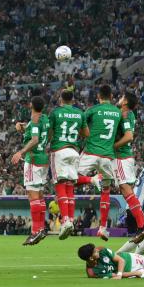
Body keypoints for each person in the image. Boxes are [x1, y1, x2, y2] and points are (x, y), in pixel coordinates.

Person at [76, 85, 127, 241]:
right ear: (111, 96)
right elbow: (122, 134)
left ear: (98, 96)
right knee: (106, 190)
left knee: (70, 179)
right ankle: (103, 229)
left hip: (91, 151)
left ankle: (91, 179)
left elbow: (79, 125)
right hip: (107, 155)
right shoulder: (118, 113)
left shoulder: (92, 110)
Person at [112, 93, 144, 243]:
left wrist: (113, 146)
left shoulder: (126, 114)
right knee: (124, 190)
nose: (119, 98)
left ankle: (142, 224)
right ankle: (141, 225)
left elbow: (129, 136)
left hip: (122, 157)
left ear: (125, 102)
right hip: (123, 157)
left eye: (121, 97)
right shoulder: (125, 114)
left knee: (126, 189)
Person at [11, 96, 50, 245]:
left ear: (31, 105)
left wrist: (20, 152)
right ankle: (40, 229)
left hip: (33, 160)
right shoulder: (45, 118)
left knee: (32, 195)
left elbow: (34, 139)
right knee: (39, 195)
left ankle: (36, 231)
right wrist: (24, 127)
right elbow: (39, 132)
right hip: (43, 160)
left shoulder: (34, 119)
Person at [48, 89, 85, 239]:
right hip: (74, 151)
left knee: (60, 185)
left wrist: (49, 142)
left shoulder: (55, 112)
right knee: (70, 186)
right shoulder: (80, 113)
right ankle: (70, 219)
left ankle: (65, 221)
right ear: (73, 99)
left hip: (60, 150)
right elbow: (86, 134)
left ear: (60, 99)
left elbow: (50, 132)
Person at [118, 148, 144, 255]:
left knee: (140, 236)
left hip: (132, 206)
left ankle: (123, 258)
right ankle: (119, 257)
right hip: (139, 206)